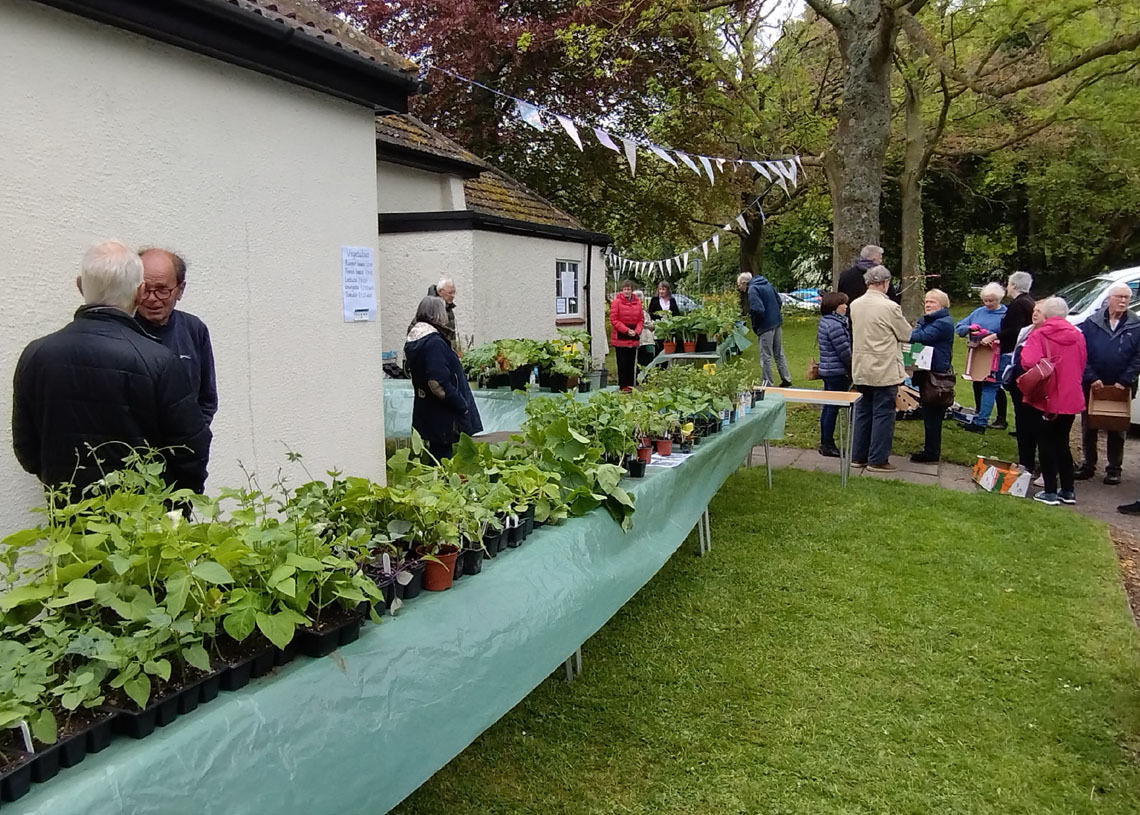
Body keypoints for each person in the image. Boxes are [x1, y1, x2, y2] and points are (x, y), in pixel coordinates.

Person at [12, 241, 211, 499]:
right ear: (139, 292)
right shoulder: (159, 359)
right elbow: (191, 447)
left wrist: (61, 479)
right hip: (144, 511)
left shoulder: (35, 355)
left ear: (81, 285)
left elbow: (27, 448)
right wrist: (181, 498)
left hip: (70, 509)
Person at [136, 248, 217, 426]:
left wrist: (195, 438)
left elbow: (207, 399)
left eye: (162, 290)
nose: (152, 298)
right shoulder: (122, 330)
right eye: (145, 289)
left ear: (180, 290)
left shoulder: (194, 329)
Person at [1020, 297, 1087, 506]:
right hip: (1071, 397)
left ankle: (1049, 491)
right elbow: (1083, 362)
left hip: (1045, 397)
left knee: (1045, 443)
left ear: (1046, 315)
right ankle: (1068, 490)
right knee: (1062, 444)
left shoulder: (1039, 334)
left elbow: (1028, 362)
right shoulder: (1078, 335)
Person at [849, 265, 912, 472]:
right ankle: (877, 459)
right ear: (885, 283)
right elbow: (906, 334)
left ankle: (858, 456)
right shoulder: (890, 307)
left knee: (862, 412)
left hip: (861, 366)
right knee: (883, 413)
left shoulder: (855, 304)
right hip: (883, 367)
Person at [1075, 282, 1140, 485]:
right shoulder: (1091, 323)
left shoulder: (1136, 324)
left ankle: (1114, 469)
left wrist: (1125, 379)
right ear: (1109, 299)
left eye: (1126, 298)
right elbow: (1081, 353)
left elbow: (1138, 356)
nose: (1122, 301)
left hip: (1121, 384)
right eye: (1119, 297)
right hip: (1093, 383)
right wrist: (1092, 377)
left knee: (1117, 427)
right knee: (1089, 425)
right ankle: (1088, 465)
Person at [403, 296, 482, 461]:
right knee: (442, 458)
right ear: (437, 315)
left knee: (436, 454)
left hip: (428, 408)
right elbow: (437, 382)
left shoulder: (416, 340)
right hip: (442, 412)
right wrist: (461, 404)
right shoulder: (434, 343)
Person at [908, 289, 955, 463]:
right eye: (926, 301)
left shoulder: (943, 323)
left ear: (942, 304)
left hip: (936, 374)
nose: (927, 305)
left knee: (933, 415)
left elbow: (921, 336)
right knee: (928, 414)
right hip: (926, 371)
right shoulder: (930, 320)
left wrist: (904, 333)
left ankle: (931, 452)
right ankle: (929, 449)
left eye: (932, 302)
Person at [954, 282, 1007, 432]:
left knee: (993, 386)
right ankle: (979, 415)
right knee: (977, 382)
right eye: (985, 300)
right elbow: (959, 327)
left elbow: (1009, 334)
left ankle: (992, 420)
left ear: (999, 299)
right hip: (978, 354)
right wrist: (969, 328)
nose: (988, 304)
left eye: (992, 301)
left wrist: (989, 334)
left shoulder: (1005, 315)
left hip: (997, 355)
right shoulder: (978, 312)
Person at [991, 271, 1035, 438]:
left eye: (1008, 284)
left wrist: (996, 336)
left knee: (1009, 386)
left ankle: (1021, 426)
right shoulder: (1029, 302)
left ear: (1014, 286)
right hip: (1019, 350)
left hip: (1012, 351)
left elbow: (1015, 330)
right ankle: (1021, 425)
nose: (1007, 287)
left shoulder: (1018, 304)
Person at [816, 291, 852, 458]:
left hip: (827, 370)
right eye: (843, 304)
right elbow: (844, 352)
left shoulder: (826, 322)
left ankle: (825, 441)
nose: (846, 306)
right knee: (832, 408)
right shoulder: (836, 326)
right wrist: (853, 368)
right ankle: (827, 443)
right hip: (836, 371)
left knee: (828, 407)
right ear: (834, 307)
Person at [741, 271, 792, 387]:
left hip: (765, 326)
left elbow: (757, 309)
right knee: (779, 353)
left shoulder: (752, 289)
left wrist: (756, 326)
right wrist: (775, 314)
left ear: (744, 283)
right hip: (776, 322)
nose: (740, 289)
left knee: (766, 356)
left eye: (740, 286)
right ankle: (786, 378)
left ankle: (767, 383)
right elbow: (779, 301)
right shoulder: (767, 284)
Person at [609, 280, 643, 391]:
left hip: (633, 338)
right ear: (622, 290)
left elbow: (640, 319)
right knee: (622, 363)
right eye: (625, 289)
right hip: (621, 337)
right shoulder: (616, 302)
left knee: (631, 363)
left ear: (632, 290)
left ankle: (630, 386)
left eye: (629, 289)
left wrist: (636, 331)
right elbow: (614, 319)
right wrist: (626, 330)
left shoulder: (638, 303)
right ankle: (623, 386)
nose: (627, 291)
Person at [648, 281, 683, 357]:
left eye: (663, 289)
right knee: (659, 348)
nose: (661, 291)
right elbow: (650, 313)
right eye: (660, 289)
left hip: (669, 328)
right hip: (658, 327)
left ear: (667, 290)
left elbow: (677, 314)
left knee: (668, 349)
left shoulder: (672, 301)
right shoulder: (655, 300)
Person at [426, 277, 459, 354]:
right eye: (450, 293)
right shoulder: (431, 309)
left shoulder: (449, 308)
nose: (453, 296)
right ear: (440, 292)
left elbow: (452, 336)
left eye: (454, 292)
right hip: (434, 352)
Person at [635, 290, 657, 369]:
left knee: (645, 361)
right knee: (646, 362)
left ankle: (643, 379)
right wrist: (655, 324)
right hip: (645, 340)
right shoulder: (640, 311)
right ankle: (644, 379)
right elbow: (647, 323)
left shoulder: (643, 310)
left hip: (647, 340)